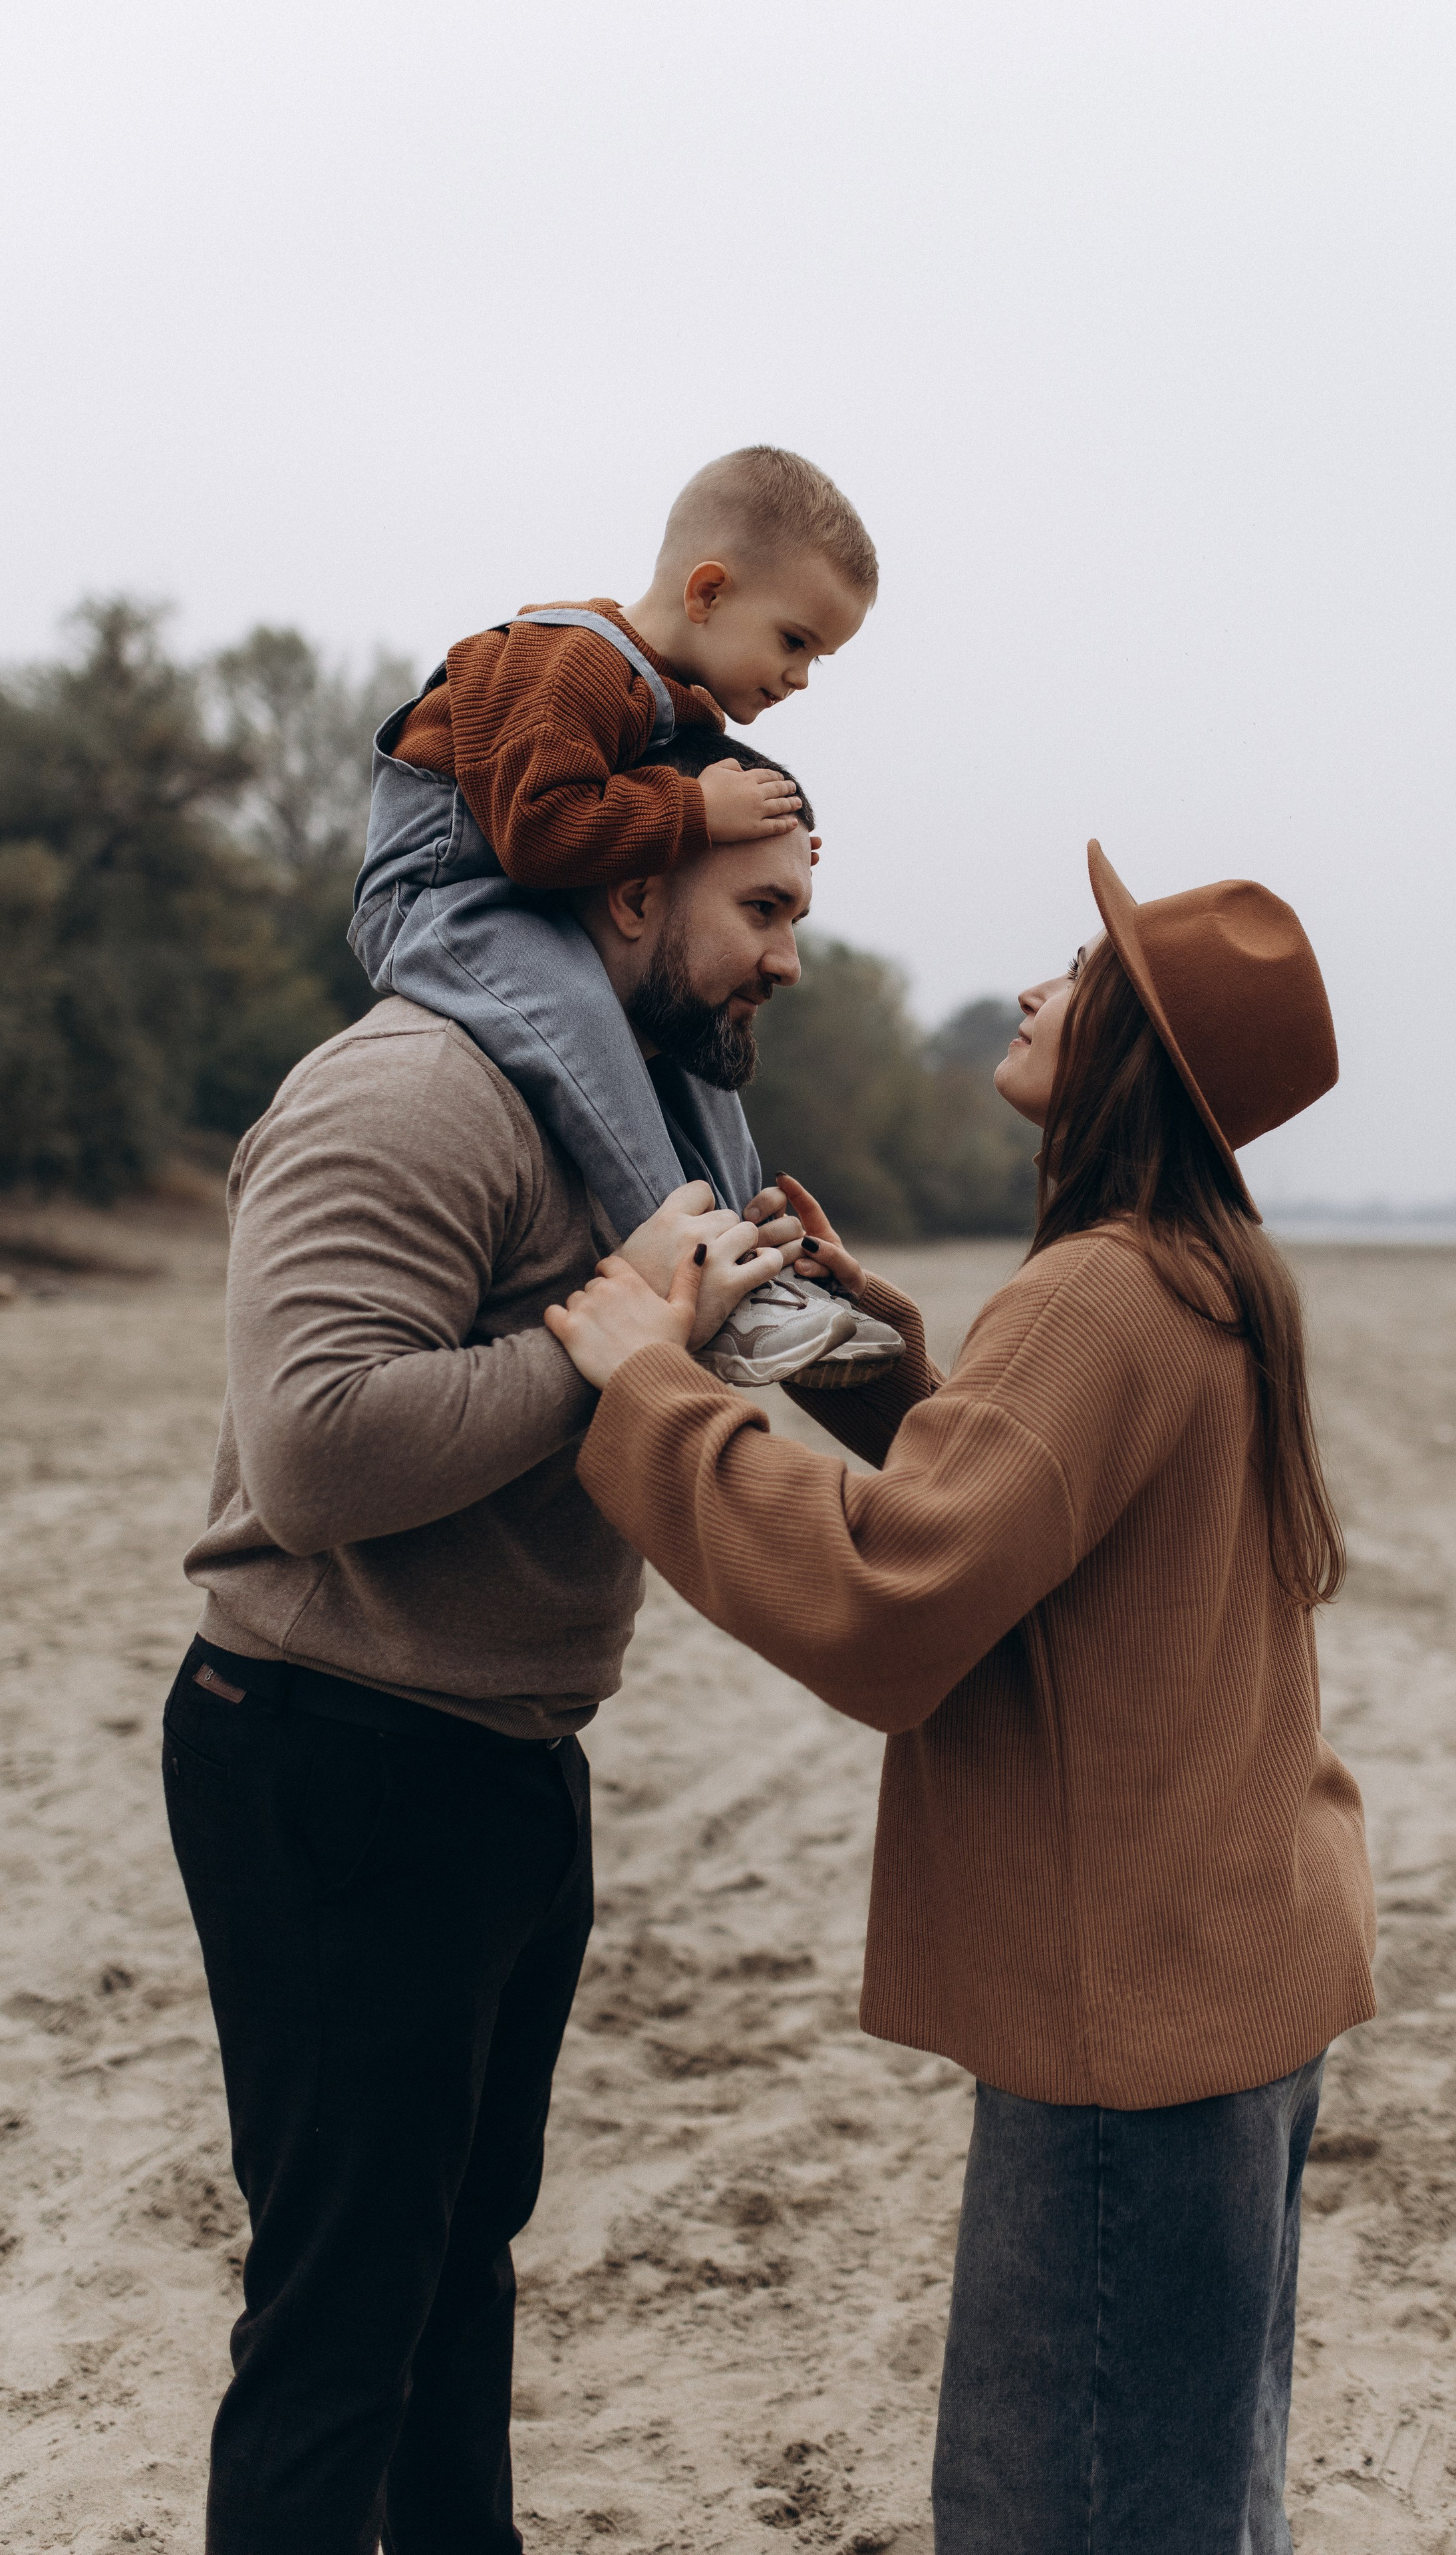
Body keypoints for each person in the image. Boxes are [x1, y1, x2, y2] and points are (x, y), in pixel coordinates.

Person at [549, 840, 1379, 2554]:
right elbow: (1040, 1534)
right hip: (1233, 1981)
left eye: (1077, 976)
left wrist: (650, 1393)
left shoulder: (1099, 1290)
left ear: (1133, 1051)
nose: (1028, 990)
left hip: (1130, 2023)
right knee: (1192, 2496)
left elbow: (885, 1607)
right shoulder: (1203, 1272)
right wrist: (885, 1375)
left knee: (1056, 2512)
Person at [163, 781, 825, 2554]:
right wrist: (605, 1338)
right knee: (340, 2326)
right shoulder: (411, 1091)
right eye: (760, 909)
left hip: (505, 1764)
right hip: (334, 1752)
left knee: (456, 2279)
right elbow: (311, 1459)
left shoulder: (632, 1129)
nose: (787, 956)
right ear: (629, 897)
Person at [347, 442, 899, 1388]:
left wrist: (767, 836)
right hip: (442, 901)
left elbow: (680, 795)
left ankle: (752, 1263)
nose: (801, 677)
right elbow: (538, 832)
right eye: (796, 642)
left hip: (525, 901)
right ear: (709, 592)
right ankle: (700, 1284)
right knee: (581, 1025)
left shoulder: (675, 702)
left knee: (693, 1043)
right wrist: (697, 814)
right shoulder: (575, 665)